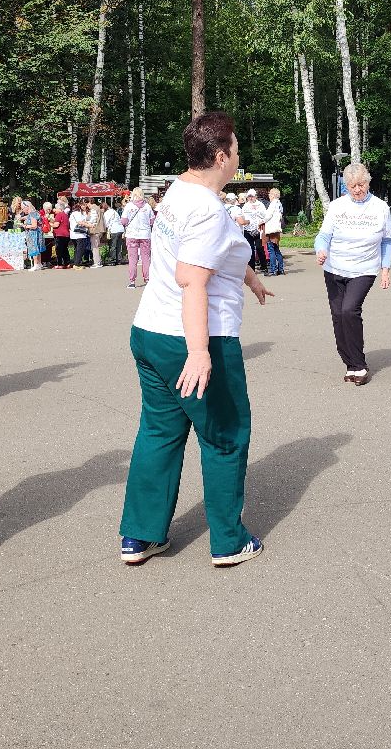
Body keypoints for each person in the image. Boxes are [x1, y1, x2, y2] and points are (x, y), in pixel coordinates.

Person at [119, 111, 272, 568]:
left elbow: (201, 249)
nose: (240, 156)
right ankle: (228, 540)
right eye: (237, 149)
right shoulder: (206, 206)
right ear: (221, 155)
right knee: (224, 435)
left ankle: (140, 536)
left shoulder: (181, 192)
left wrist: (248, 276)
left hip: (150, 331)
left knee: (160, 432)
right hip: (194, 336)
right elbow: (192, 278)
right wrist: (201, 352)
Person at [314, 163, 391, 385]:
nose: (357, 189)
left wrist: (385, 270)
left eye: (361, 184)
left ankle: (359, 365)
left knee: (349, 310)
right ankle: (349, 362)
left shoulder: (380, 207)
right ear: (345, 186)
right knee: (338, 315)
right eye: (352, 186)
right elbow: (323, 236)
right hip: (334, 268)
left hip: (364, 269)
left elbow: (387, 240)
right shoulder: (337, 206)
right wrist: (320, 250)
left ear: (368, 182)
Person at [122, 190, 155, 289]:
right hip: (145, 235)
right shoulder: (147, 206)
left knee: (132, 258)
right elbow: (152, 221)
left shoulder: (129, 206)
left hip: (132, 235)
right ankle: (147, 279)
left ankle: (132, 281)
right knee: (146, 258)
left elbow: (123, 221)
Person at [240, 189, 267, 271]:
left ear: (256, 196)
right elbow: (242, 217)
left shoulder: (260, 205)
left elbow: (265, 216)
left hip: (258, 230)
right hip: (248, 230)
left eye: (252, 196)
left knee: (259, 248)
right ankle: (252, 268)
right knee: (250, 249)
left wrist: (259, 225)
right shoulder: (245, 206)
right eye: (249, 196)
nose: (251, 198)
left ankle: (264, 266)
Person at [263, 188, 285, 276]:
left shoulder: (273, 203)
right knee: (276, 249)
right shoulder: (279, 204)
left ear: (273, 195)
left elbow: (268, 215)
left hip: (271, 228)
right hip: (277, 228)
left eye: (270, 194)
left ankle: (273, 270)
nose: (269, 196)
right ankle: (281, 269)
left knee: (271, 250)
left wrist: (262, 221)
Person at [20, 201, 43, 271]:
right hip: (37, 234)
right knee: (38, 249)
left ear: (27, 207)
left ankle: (35, 264)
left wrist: (25, 226)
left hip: (33, 234)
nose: (22, 210)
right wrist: (24, 218)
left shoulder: (32, 214)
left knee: (34, 249)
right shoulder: (35, 212)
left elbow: (34, 226)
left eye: (23, 208)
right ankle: (39, 264)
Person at [69, 200, 93, 268]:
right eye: (83, 205)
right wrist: (90, 225)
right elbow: (80, 222)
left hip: (75, 234)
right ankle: (76, 264)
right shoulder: (77, 213)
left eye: (85, 205)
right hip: (79, 234)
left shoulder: (74, 213)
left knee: (77, 249)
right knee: (80, 249)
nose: (85, 206)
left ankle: (76, 263)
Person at [51, 200, 72, 269]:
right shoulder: (65, 215)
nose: (54, 210)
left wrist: (50, 224)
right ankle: (67, 263)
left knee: (59, 250)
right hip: (66, 234)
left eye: (55, 208)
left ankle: (59, 264)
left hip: (60, 235)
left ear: (59, 209)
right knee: (65, 249)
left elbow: (56, 225)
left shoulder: (59, 215)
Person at [103, 200, 125, 266]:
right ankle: (119, 259)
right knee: (118, 245)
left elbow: (105, 223)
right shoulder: (114, 211)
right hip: (120, 229)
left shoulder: (107, 213)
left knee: (113, 245)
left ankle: (112, 260)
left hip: (114, 230)